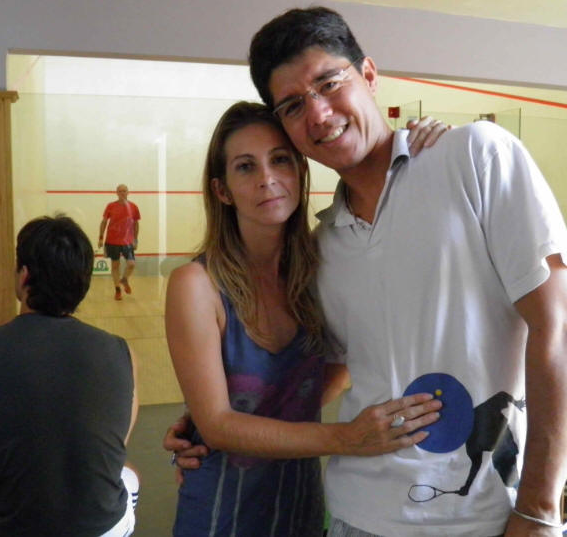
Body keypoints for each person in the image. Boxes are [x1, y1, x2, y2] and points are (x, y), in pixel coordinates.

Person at [171, 5, 567, 537]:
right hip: (354, 515)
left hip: (486, 517)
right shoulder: (323, 247)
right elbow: (340, 369)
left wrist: (538, 510)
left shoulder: (475, 157)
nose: (318, 114)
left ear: (369, 74)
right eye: (294, 106)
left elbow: (564, 328)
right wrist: (214, 424)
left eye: (329, 83)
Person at [164, 101, 445, 536]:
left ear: (299, 171)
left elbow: (341, 362)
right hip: (221, 515)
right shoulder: (195, 285)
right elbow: (217, 425)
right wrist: (347, 438)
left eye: (280, 160)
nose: (267, 178)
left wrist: (435, 142)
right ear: (222, 191)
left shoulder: (321, 264)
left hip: (304, 508)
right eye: (245, 167)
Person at [0, 215, 140, 537]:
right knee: (128, 472)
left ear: (24, 275)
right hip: (103, 527)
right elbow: (111, 449)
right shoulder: (123, 352)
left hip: (11, 528)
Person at [98, 184, 141, 300]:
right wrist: (101, 237)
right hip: (112, 241)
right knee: (115, 265)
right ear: (116, 193)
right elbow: (104, 222)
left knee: (131, 264)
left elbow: (136, 224)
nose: (122, 193)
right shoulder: (110, 206)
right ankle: (117, 289)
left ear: (128, 192)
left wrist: (135, 239)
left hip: (128, 242)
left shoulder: (133, 207)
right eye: (120, 191)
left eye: (124, 191)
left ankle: (124, 279)